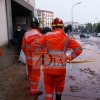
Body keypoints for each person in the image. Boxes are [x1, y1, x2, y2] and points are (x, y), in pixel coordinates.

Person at [36, 17, 83, 100]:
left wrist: (43, 55)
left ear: (52, 27)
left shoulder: (45, 36)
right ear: (62, 27)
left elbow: (34, 46)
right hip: (60, 67)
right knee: (59, 85)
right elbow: (79, 49)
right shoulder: (67, 37)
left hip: (48, 67)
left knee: (49, 85)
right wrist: (69, 58)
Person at [22, 17, 45, 95]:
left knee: (30, 73)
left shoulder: (26, 34)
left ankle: (30, 86)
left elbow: (23, 47)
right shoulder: (39, 35)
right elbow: (43, 48)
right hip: (37, 58)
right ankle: (33, 90)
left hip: (28, 58)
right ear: (37, 25)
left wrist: (27, 54)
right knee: (36, 74)